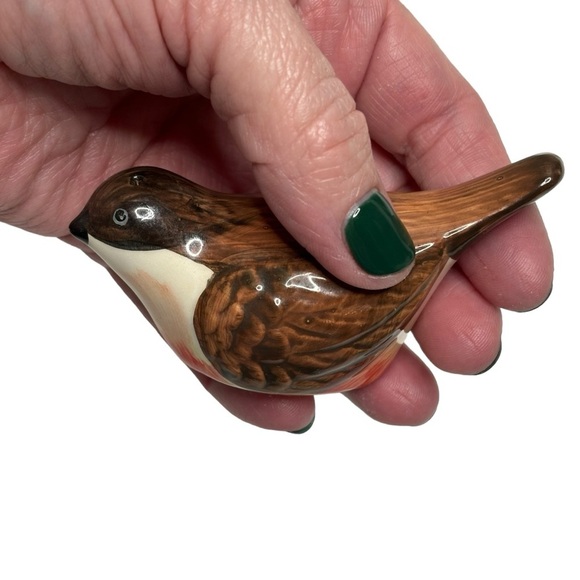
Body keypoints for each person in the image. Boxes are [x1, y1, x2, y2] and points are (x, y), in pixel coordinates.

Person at [0, 0, 553, 432]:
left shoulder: (223, 318)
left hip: (389, 286)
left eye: (114, 227)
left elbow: (347, 326)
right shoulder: (208, 278)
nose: (83, 230)